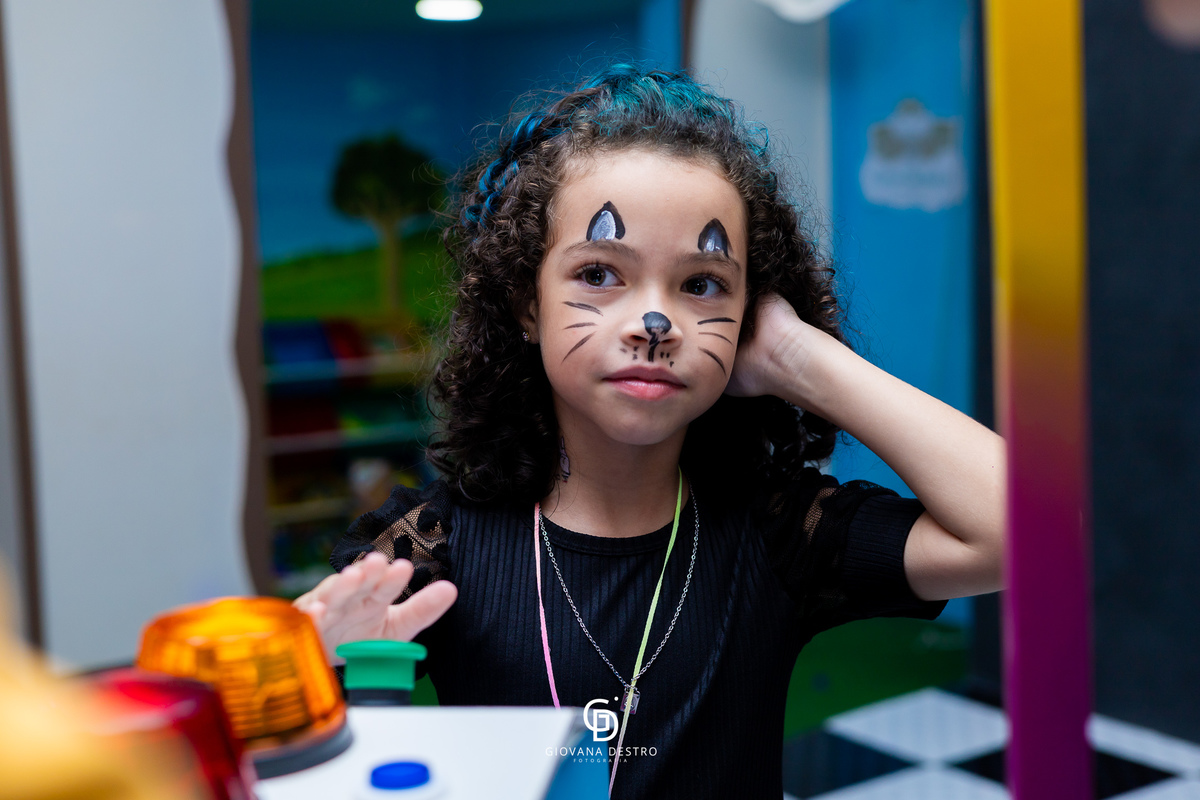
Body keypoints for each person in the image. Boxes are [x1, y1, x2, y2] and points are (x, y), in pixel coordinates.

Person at [293, 64, 1004, 799]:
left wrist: (800, 356)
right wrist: (310, 667)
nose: (653, 323)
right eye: (600, 273)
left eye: (702, 284)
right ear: (527, 304)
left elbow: (1026, 532)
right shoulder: (432, 547)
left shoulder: (777, 532)